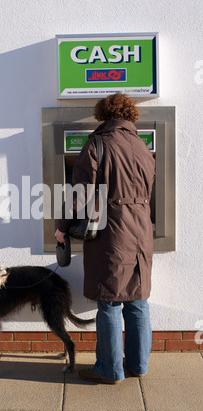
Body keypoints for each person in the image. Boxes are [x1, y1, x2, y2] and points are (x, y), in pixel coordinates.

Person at [55, 93, 155, 384]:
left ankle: (109, 370)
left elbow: (80, 193)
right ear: (129, 115)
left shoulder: (98, 143)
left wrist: (63, 226)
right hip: (142, 230)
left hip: (112, 231)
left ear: (103, 114)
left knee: (110, 301)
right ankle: (138, 365)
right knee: (137, 299)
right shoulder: (142, 146)